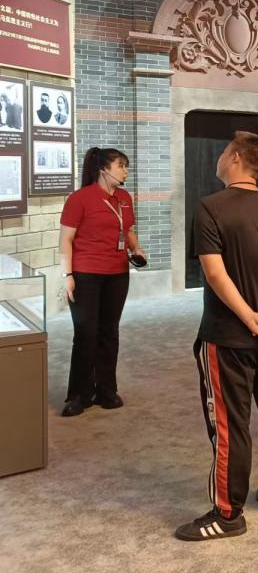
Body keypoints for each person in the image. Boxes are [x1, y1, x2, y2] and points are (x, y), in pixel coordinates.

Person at [175, 132, 258, 541]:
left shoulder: (210, 207)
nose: (219, 157)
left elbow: (214, 273)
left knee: (229, 423)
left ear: (234, 158)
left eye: (223, 151)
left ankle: (228, 514)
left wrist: (249, 317)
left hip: (229, 335)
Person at [58, 147, 143, 417]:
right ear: (104, 169)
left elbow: (128, 229)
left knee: (109, 332)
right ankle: (78, 395)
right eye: (121, 165)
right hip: (85, 274)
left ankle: (106, 390)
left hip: (117, 274)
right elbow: (65, 240)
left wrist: (136, 249)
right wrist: (68, 275)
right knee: (86, 333)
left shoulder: (124, 198)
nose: (126, 171)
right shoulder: (80, 199)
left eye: (126, 166)